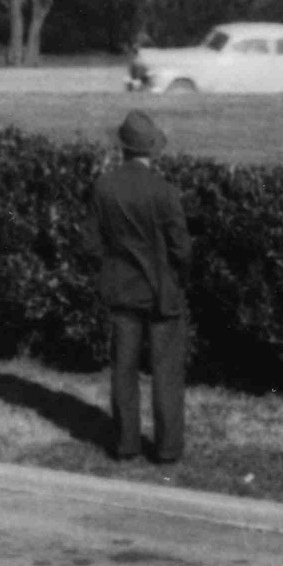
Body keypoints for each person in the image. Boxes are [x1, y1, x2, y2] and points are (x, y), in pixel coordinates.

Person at [94, 105, 191, 464]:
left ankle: (125, 444)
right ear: (152, 149)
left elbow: (92, 242)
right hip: (163, 294)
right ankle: (167, 450)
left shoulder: (104, 187)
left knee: (124, 371)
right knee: (166, 373)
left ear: (123, 148)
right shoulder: (165, 191)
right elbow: (182, 248)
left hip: (121, 291)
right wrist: (178, 276)